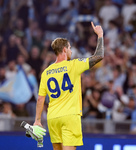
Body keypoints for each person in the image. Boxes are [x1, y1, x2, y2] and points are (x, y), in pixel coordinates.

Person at [33, 22, 104, 150]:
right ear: (65, 49)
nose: (71, 51)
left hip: (53, 118)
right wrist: (100, 35)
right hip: (70, 117)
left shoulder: (46, 72)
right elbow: (99, 56)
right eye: (70, 48)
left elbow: (40, 99)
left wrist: (37, 120)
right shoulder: (74, 65)